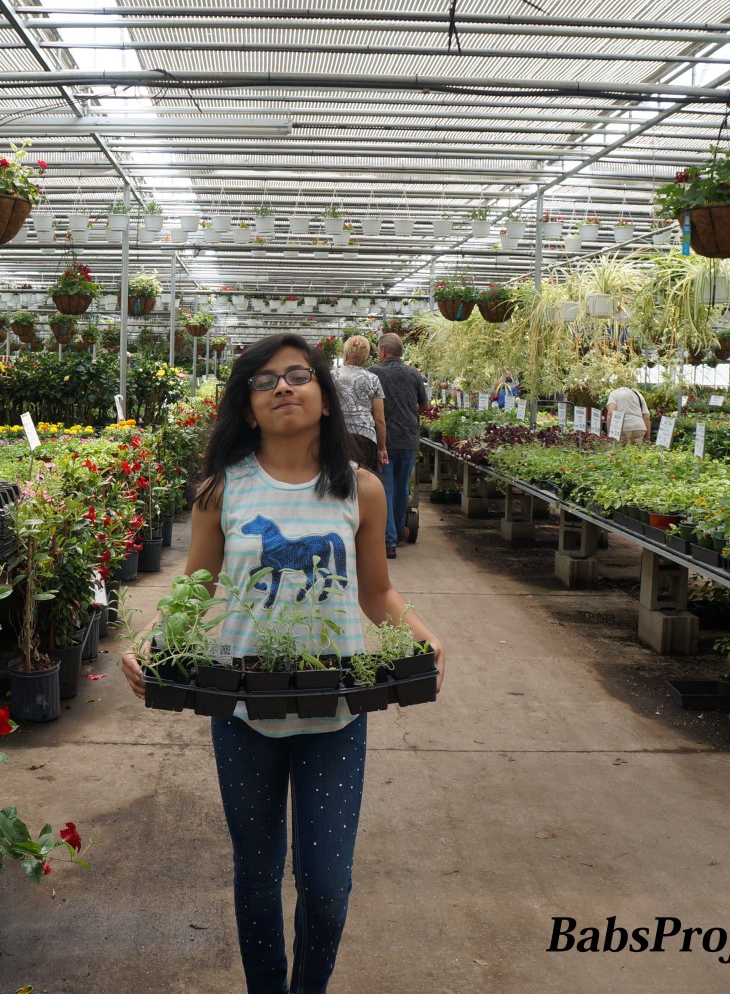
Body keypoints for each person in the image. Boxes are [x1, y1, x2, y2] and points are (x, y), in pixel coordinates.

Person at [120, 333, 444, 994]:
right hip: (241, 709)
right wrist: (152, 638)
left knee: (326, 886)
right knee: (257, 872)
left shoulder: (361, 489)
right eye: (265, 381)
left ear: (326, 398)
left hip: (335, 711)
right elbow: (195, 586)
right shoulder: (221, 490)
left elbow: (375, 592)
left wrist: (420, 636)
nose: (283, 388)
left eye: (298, 375)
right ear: (246, 408)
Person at [369, 333, 429, 559]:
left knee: (386, 488)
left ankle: (389, 541)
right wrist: (408, 412)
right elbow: (424, 405)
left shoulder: (374, 373)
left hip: (383, 440)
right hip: (407, 438)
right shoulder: (414, 373)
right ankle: (395, 533)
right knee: (402, 488)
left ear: (383, 351)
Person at [331, 335, 388, 473]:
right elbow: (379, 419)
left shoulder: (332, 377)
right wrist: (382, 448)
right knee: (366, 481)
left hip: (339, 436)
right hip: (366, 438)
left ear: (345, 355)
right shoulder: (373, 379)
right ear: (366, 357)